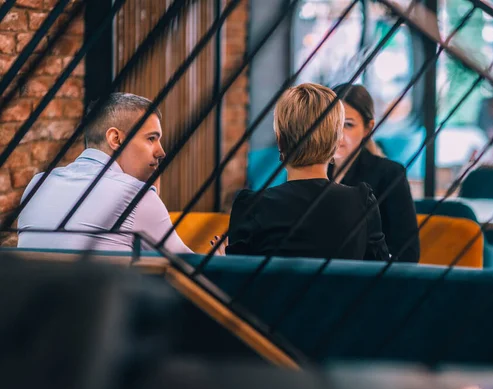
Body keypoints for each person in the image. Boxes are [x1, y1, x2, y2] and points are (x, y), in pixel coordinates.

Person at [221, 83, 389, 260]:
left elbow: (238, 281)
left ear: (280, 141)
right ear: (336, 142)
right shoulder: (362, 202)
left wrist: (222, 262)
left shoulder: (251, 206)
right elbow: (382, 276)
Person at [18, 92, 192, 253]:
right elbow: (196, 271)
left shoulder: (37, 185)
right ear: (115, 139)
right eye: (151, 139)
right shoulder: (135, 197)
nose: (161, 152)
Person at [327, 83, 419, 262]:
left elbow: (408, 253)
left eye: (348, 125)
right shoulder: (315, 169)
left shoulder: (389, 174)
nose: (337, 134)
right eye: (331, 122)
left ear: (367, 129)